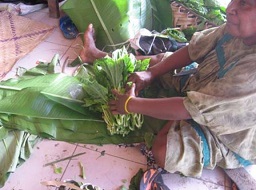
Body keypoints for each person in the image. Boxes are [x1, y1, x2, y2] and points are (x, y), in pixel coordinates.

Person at [79, 0, 256, 185]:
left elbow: (188, 108)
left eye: (244, 4)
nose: (230, 9)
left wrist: (130, 105)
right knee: (158, 62)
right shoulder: (235, 28)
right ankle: (94, 54)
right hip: (202, 86)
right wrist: (151, 73)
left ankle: (177, 119)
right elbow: (192, 50)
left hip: (229, 135)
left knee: (163, 150)